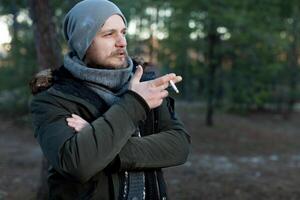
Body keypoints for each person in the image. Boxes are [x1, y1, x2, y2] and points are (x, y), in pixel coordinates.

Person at [30, 0, 190, 199]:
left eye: (123, 32)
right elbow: (78, 164)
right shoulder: (53, 97)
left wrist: (99, 139)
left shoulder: (145, 82)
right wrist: (134, 103)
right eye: (108, 34)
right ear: (83, 41)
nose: (122, 41)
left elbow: (179, 146)